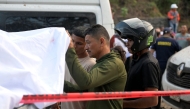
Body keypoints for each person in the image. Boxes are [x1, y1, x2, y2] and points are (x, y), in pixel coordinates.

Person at [64, 24, 127, 109]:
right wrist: (60, 84)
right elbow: (85, 90)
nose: (86, 47)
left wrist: (70, 50)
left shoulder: (114, 63)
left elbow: (86, 83)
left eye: (88, 43)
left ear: (101, 41)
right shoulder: (102, 62)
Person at [114, 18, 161, 109]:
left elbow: (152, 100)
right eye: (127, 40)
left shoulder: (148, 64)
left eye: (130, 40)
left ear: (141, 41)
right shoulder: (133, 60)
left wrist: (123, 104)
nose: (127, 44)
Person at [61, 26, 96, 109]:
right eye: (72, 41)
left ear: (87, 45)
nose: (73, 45)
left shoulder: (91, 64)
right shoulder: (66, 59)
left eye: (79, 43)